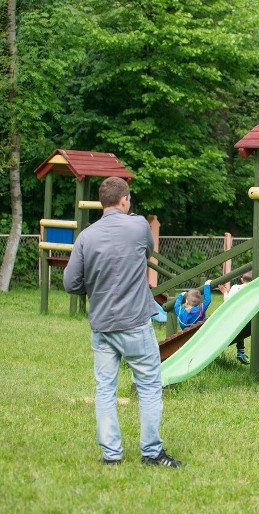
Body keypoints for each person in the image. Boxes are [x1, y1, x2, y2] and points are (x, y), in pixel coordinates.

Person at [63, 176, 182, 468]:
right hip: (135, 323)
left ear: (102, 202)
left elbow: (70, 283)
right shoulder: (139, 225)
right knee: (150, 385)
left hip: (102, 325)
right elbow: (148, 251)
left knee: (105, 388)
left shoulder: (86, 237)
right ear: (125, 199)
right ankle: (152, 453)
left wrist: (94, 286)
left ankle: (111, 455)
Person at [217, 272, 253, 364]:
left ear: (241, 280)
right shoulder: (253, 288)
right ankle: (241, 351)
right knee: (241, 330)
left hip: (233, 314)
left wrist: (225, 292)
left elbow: (227, 302)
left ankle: (240, 351)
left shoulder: (235, 287)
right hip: (247, 315)